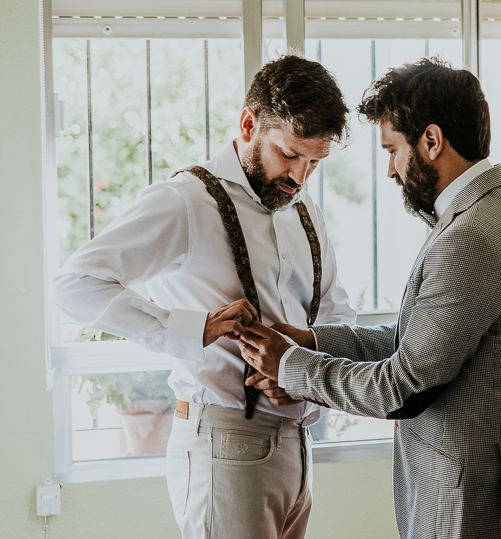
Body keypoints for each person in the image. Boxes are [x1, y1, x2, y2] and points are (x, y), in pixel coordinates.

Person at [239, 57, 501, 539]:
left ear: (431, 141)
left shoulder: (471, 236)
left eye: (393, 150)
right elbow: (414, 340)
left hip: (470, 499)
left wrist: (292, 365)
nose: (389, 170)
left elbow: (402, 386)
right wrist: (312, 339)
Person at [52, 54, 356, 539]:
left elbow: (340, 315)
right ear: (248, 123)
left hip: (299, 445)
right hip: (224, 442)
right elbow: (75, 284)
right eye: (289, 154)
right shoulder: (186, 201)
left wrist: (304, 377)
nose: (300, 177)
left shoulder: (304, 210)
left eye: (315, 162)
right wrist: (195, 327)